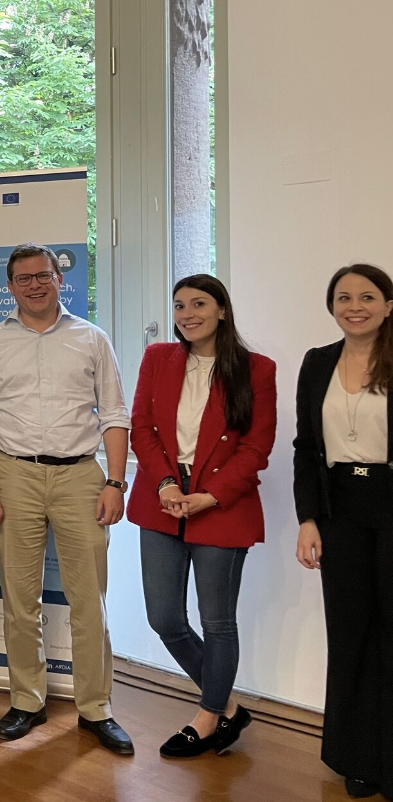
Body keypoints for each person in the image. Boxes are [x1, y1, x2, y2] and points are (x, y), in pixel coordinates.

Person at [0, 243, 134, 755]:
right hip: (11, 475)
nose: (35, 285)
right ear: (10, 286)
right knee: (20, 600)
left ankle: (96, 708)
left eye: (44, 275)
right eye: (24, 278)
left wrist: (115, 482)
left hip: (82, 477)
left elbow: (115, 414)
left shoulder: (92, 338)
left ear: (61, 279)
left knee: (89, 600)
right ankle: (27, 700)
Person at [129, 274, 276, 757]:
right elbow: (142, 429)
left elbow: (256, 448)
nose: (187, 313)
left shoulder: (256, 369)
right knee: (165, 617)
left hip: (221, 503)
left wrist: (209, 496)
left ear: (222, 311)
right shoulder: (158, 360)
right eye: (178, 306)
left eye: (198, 304)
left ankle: (209, 717)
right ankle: (229, 706)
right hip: (163, 497)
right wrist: (167, 483)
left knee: (217, 622)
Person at [294, 263, 393, 801]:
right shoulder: (317, 363)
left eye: (368, 296)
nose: (355, 306)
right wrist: (307, 518)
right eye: (344, 297)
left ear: (388, 305)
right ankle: (356, 758)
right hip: (340, 507)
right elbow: (306, 447)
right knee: (351, 631)